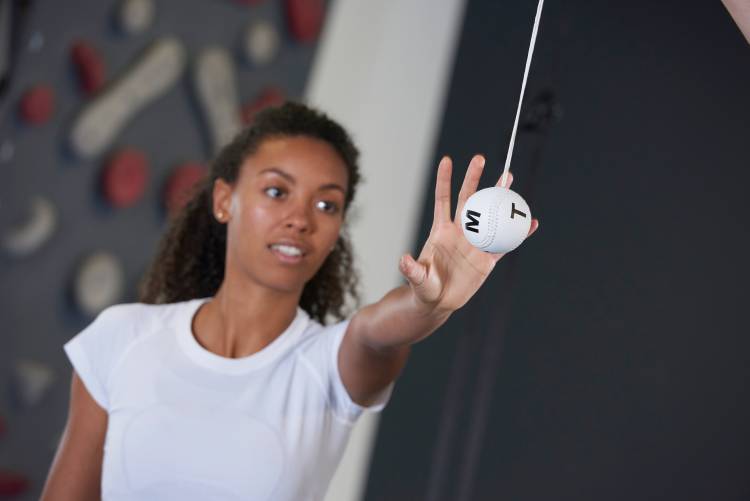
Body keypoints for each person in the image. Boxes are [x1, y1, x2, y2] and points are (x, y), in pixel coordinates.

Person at [41, 102, 539, 500]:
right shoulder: (122, 337)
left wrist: (426, 304)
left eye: (326, 204)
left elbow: (375, 333)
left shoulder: (329, 367)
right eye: (277, 191)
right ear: (224, 200)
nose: (301, 219)